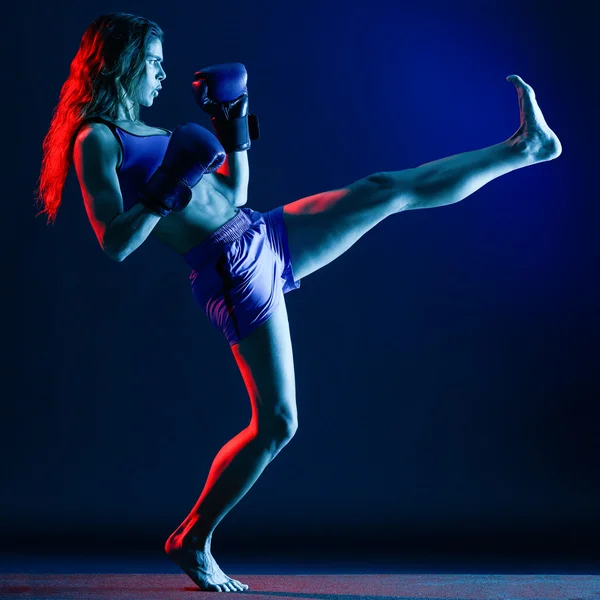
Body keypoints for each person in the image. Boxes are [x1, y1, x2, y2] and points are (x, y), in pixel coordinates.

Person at [35, 11, 562, 593]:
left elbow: (234, 194)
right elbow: (114, 242)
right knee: (279, 423)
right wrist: (165, 187)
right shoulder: (96, 139)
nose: (162, 76)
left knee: (383, 190)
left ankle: (525, 148)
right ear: (125, 62)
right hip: (231, 272)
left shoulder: (155, 131)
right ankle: (192, 537)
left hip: (260, 232)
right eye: (154, 63)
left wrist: (231, 125)